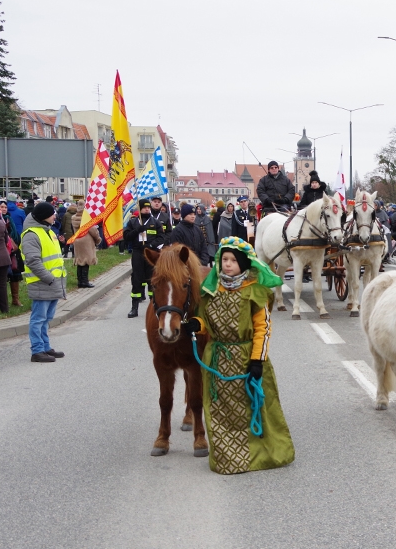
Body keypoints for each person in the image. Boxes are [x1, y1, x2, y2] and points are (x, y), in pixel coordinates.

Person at [185, 237, 295, 474]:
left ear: (244, 264)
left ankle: (259, 455)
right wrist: (197, 325)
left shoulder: (255, 292)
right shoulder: (211, 290)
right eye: (224, 259)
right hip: (217, 360)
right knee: (220, 411)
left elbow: (262, 328)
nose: (227, 264)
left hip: (246, 359)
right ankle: (227, 459)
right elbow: (206, 320)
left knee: (251, 407)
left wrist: (257, 360)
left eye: (233, 260)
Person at [21, 202, 66, 363]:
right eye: (52, 213)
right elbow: (33, 261)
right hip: (42, 282)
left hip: (52, 282)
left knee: (46, 318)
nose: (55, 216)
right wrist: (48, 278)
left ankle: (45, 347)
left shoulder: (48, 231)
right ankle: (37, 350)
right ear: (43, 216)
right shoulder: (31, 234)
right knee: (38, 318)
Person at [122, 199, 164, 318]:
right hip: (137, 253)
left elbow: (162, 238)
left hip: (150, 254)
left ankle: (154, 307)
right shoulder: (133, 222)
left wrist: (151, 245)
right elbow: (126, 237)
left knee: (152, 280)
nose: (147, 209)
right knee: (137, 279)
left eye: (148, 208)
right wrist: (137, 231)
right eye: (144, 208)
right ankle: (134, 308)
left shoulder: (155, 222)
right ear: (139, 209)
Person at [71, 200, 101, 289]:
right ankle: (85, 281)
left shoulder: (74, 218)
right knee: (86, 261)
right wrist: (98, 239)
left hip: (77, 240)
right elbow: (93, 231)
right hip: (86, 241)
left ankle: (80, 280)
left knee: (80, 260)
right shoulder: (86, 219)